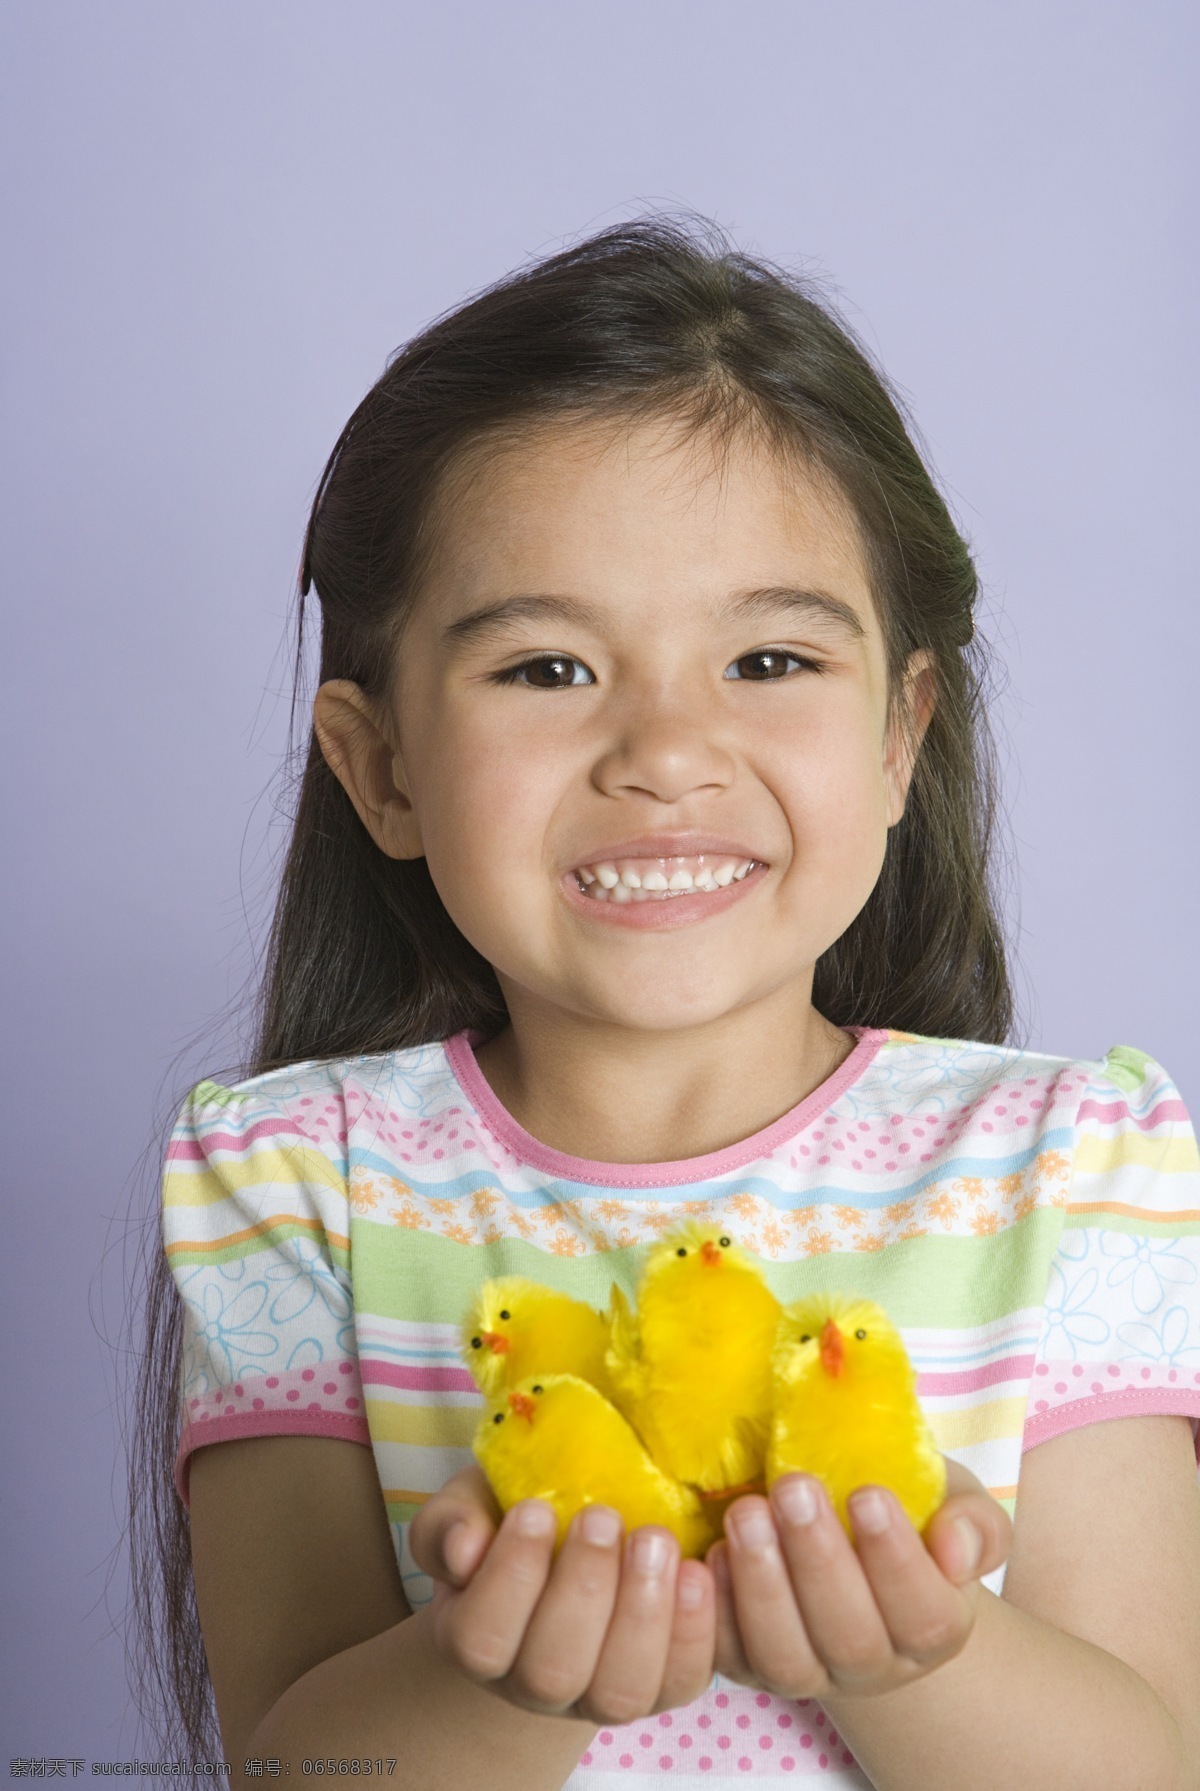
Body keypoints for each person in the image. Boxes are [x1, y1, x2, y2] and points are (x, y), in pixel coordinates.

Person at [142, 216, 1200, 1789]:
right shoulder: (298, 1182)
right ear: (381, 770)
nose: (666, 751)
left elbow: (1148, 1765)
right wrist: (501, 1673)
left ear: (903, 734)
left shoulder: (1072, 1163)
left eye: (769, 660)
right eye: (548, 671)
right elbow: (291, 1765)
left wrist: (910, 1656)